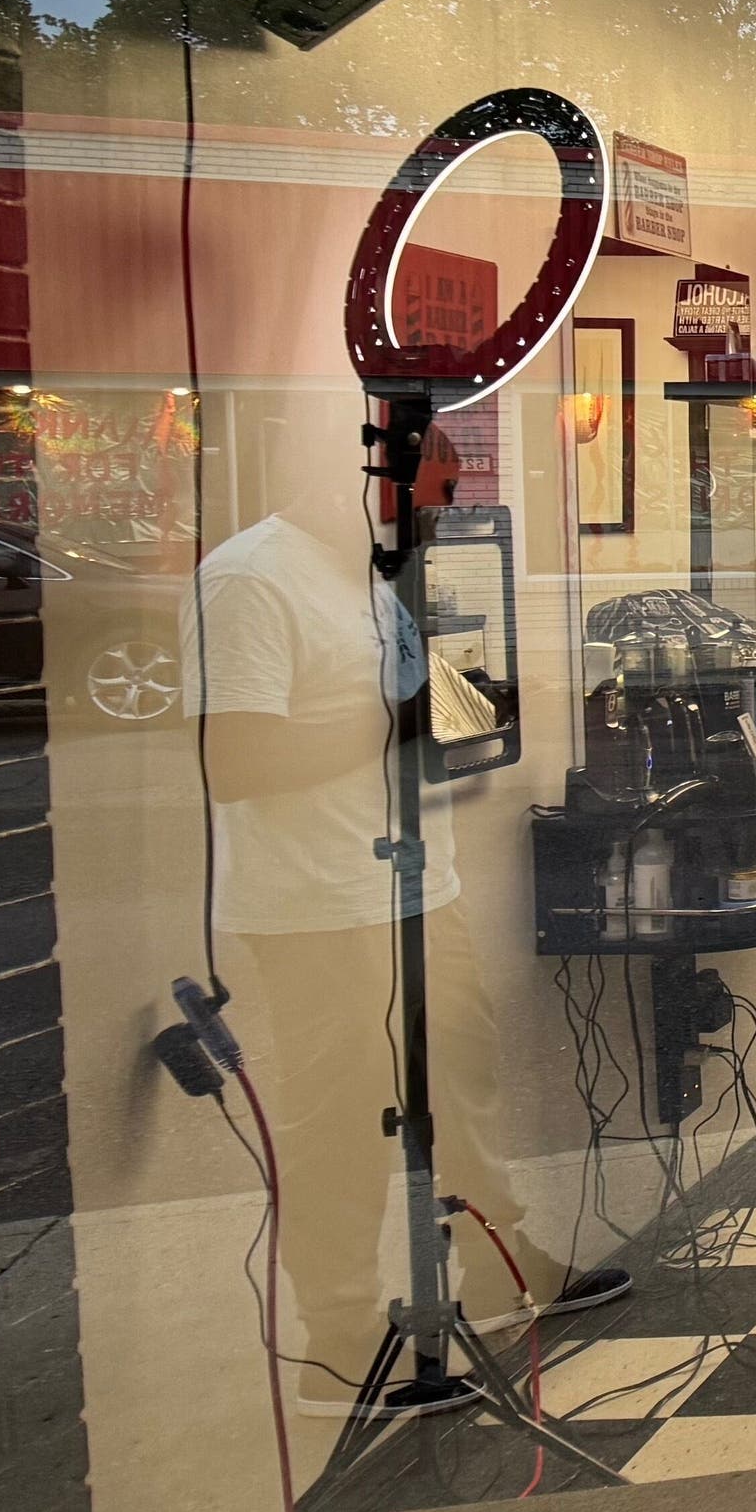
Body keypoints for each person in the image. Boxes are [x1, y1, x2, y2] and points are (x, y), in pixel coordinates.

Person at [183, 385, 621, 1412]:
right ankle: (339, 1339)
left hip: (418, 887)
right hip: (315, 903)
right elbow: (235, 756)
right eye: (433, 480)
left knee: (461, 1084)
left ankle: (502, 1271)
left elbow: (421, 711)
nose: (440, 498)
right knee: (335, 1119)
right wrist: (398, 722)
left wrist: (509, 705)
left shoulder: (373, 578)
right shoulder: (249, 580)